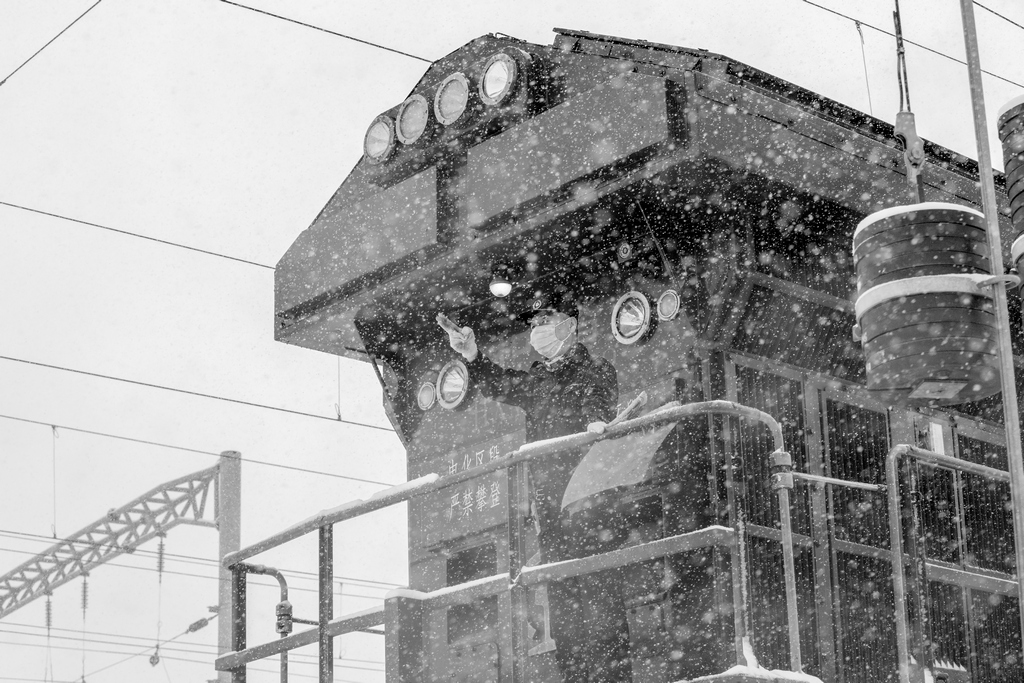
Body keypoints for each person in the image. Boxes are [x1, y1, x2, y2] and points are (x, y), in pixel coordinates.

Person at [438, 288, 631, 683]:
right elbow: (500, 383)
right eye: (534, 322)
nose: (538, 327)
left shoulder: (596, 368)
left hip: (589, 501)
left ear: (569, 324)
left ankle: (613, 677)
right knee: (563, 604)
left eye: (546, 319)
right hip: (551, 507)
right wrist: (472, 355)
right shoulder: (538, 380)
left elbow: (598, 403)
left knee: (601, 597)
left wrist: (595, 422)